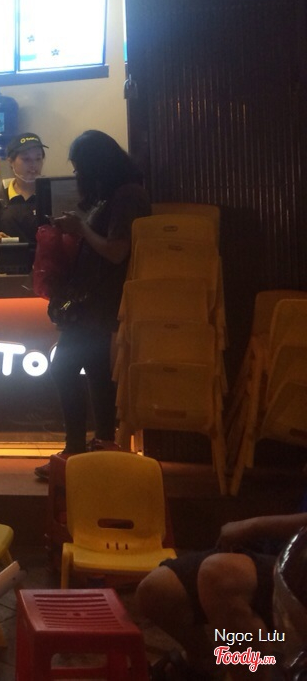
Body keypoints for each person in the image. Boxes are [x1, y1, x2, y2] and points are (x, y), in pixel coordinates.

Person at [35, 129, 151, 480]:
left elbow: (117, 252)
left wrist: (81, 228)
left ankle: (74, 451)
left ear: (96, 165)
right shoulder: (117, 193)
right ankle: (102, 449)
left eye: (79, 168)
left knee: (64, 368)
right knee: (98, 374)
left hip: (101, 301)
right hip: (96, 301)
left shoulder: (127, 196)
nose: (77, 175)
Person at [137, 512, 307, 680]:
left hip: (297, 559)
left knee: (221, 577)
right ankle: (208, 665)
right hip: (274, 548)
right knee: (156, 591)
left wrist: (254, 526)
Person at [0, 132, 48, 244]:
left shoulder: (50, 196)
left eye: (38, 158)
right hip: (11, 255)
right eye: (26, 159)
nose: (33, 164)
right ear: (11, 162)